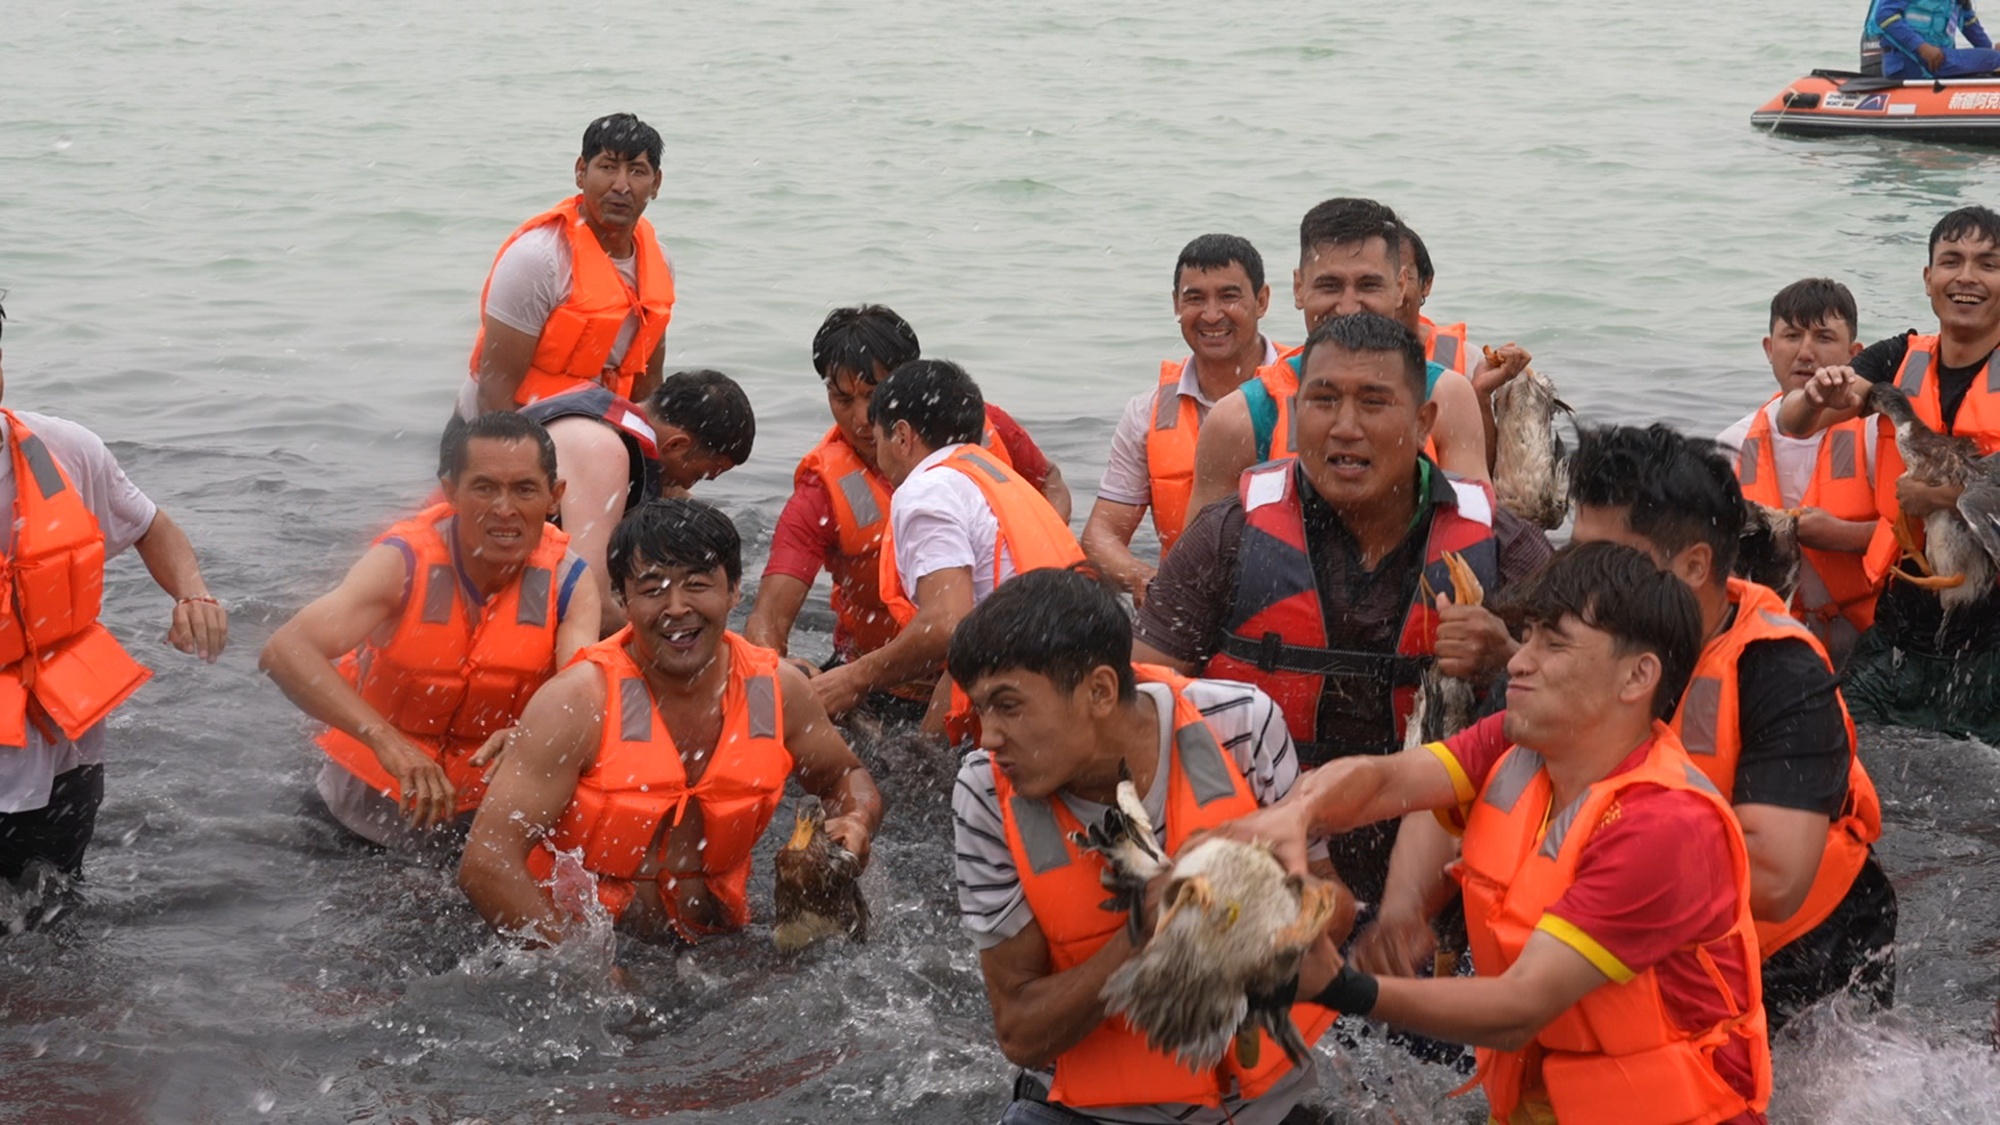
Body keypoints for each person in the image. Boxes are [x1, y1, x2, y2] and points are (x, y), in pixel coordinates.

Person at [1217, 542, 1772, 1125]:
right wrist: (1297, 813)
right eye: (1527, 635)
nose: (1517, 662)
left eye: (1552, 643)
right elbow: (1383, 782)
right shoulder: (1520, 743)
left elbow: (1519, 1008)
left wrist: (1338, 987)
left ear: (1638, 676)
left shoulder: (1665, 825)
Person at [1133, 312, 1553, 908]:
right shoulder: (1228, 535)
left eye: (1375, 402)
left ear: (1424, 420)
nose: (1345, 427)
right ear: (1298, 412)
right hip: (1267, 867)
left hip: (1440, 883)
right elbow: (1141, 701)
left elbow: (1596, 710)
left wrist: (1506, 658)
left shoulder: (1498, 546)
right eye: (1323, 401)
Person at [950, 567, 1341, 1125]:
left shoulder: (1241, 724)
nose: (988, 736)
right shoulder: (985, 791)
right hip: (1082, 1115)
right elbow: (1020, 1032)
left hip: (1266, 1110)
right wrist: (1142, 931)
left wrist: (1269, 905)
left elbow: (1336, 909)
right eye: (981, 708)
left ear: (1100, 691)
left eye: (1008, 706)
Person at [1569, 423, 1894, 1030]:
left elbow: (1773, 882)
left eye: (1609, 562)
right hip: (1649, 913)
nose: (1585, 582)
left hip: (1804, 947)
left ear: (1694, 565)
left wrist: (1582, 873)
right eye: (1578, 552)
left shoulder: (1780, 669)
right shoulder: (1574, 638)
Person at [459, 498, 882, 944]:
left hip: (720, 940)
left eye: (697, 584)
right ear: (622, 600)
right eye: (652, 588)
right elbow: (487, 862)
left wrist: (856, 820)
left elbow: (845, 776)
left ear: (735, 591)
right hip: (589, 941)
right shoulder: (579, 702)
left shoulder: (775, 691)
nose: (676, 607)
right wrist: (583, 968)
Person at [261, 413, 599, 847]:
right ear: (451, 490)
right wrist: (388, 743)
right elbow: (284, 651)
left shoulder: (570, 581)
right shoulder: (402, 562)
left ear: (555, 496)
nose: (504, 508)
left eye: (524, 489)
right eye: (484, 487)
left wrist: (532, 735)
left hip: (484, 814)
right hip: (363, 807)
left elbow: (585, 694)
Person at [744, 306, 1068, 726]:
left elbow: (1051, 483)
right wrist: (774, 676)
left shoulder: (978, 427)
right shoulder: (821, 492)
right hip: (886, 687)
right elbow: (768, 620)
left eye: (874, 394)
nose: (861, 419)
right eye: (842, 399)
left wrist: (1031, 563)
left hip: (986, 664)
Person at [0, 297, 228, 886]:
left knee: (56, 912)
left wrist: (192, 594)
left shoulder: (66, 451)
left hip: (63, 750)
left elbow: (151, 526)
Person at [1779, 204, 2000, 740]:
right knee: (1829, 749)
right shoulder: (1898, 356)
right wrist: (1817, 395)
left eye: (1987, 263)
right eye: (1951, 261)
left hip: (1993, 642)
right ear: (1928, 279)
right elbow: (1794, 421)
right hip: (1900, 635)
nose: (1966, 276)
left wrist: (1943, 494)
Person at [1185, 199, 1505, 514]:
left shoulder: (1448, 398)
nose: (1348, 306)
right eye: (1329, 286)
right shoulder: (1239, 420)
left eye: (1368, 285)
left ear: (1400, 287)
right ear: (1299, 288)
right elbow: (1199, 562)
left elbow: (1475, 539)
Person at [1080, 234, 1279, 598]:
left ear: (1262, 300)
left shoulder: (1307, 392)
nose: (1212, 314)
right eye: (1194, 298)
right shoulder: (1149, 412)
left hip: (1291, 602)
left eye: (1229, 296)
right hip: (1188, 606)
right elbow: (1100, 534)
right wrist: (1143, 577)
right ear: (1175, 304)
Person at [459, 112, 676, 419]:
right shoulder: (538, 260)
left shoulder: (659, 262)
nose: (621, 185)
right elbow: (496, 388)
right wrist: (514, 461)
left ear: (656, 183)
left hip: (593, 426)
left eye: (637, 171)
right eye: (607, 167)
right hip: (503, 426)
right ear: (580, 172)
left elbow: (648, 383)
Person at [1716, 279, 1880, 668]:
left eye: (1824, 337)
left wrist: (1846, 536)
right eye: (1791, 336)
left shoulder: (1877, 434)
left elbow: (1924, 540)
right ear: (1769, 350)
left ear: (1854, 354)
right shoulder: (1731, 445)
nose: (1806, 353)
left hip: (1872, 646)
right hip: (1770, 646)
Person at [519, 369, 754, 634]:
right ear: (676, 445)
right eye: (699, 475)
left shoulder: (607, 417)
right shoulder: (603, 451)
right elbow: (589, 603)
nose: (687, 485)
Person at [1864, 0, 2000, 79]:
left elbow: (1969, 25)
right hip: (1909, 60)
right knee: (1994, 59)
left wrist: (1990, 49)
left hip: (1939, 61)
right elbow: (1884, 15)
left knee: (1994, 59)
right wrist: (1921, 47)